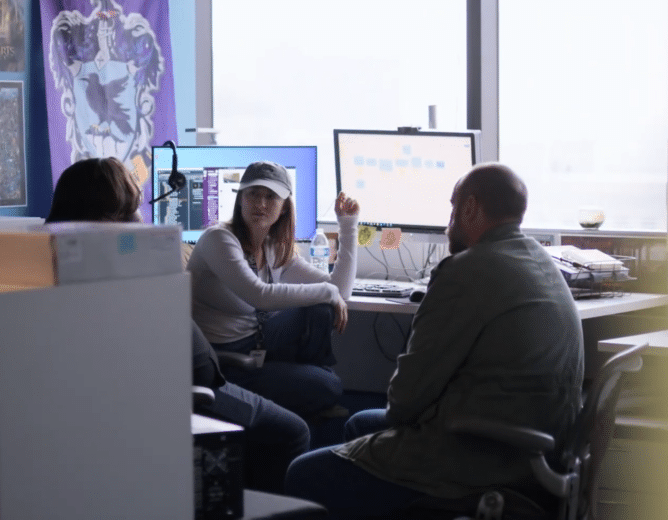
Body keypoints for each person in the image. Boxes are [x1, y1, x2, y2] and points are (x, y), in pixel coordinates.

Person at [283, 163, 584, 518]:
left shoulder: (465, 271)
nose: (449, 222)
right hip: (539, 454)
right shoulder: (540, 261)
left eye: (453, 208)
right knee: (360, 424)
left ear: (470, 208)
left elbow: (403, 403)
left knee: (303, 474)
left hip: (480, 458)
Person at [47, 157, 311, 493]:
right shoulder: (123, 264)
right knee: (293, 432)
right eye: (132, 209)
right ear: (110, 218)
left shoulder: (60, 262)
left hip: (176, 384)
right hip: (186, 390)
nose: (140, 217)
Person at [187, 160, 360, 419]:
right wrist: (328, 292)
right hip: (227, 357)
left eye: (271, 196)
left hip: (261, 339)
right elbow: (260, 295)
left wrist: (348, 225)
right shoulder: (218, 239)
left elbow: (340, 290)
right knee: (330, 385)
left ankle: (305, 384)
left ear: (284, 207)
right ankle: (309, 388)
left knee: (321, 309)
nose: (261, 204)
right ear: (240, 200)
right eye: (253, 194)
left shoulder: (272, 246)